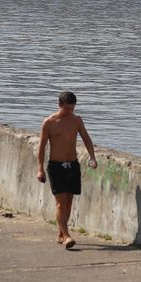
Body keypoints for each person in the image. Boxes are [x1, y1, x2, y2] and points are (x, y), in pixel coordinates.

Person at [37, 91, 96, 249]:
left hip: (73, 165)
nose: (70, 111)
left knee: (69, 200)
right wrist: (40, 169)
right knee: (60, 202)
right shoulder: (49, 123)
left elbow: (86, 137)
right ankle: (68, 235)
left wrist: (92, 157)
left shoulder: (76, 120)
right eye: (67, 108)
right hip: (56, 166)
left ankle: (61, 233)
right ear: (59, 105)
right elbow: (42, 147)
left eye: (72, 108)